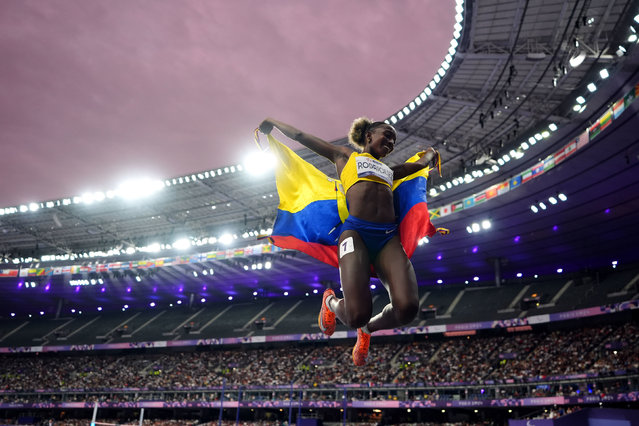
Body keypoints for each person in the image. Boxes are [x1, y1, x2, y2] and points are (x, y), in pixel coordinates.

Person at [258, 117, 441, 366]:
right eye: (386, 136)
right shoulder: (345, 157)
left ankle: (367, 330)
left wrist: (430, 154)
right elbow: (301, 136)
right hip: (355, 235)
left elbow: (418, 165)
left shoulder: (390, 171)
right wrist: (273, 123)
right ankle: (331, 302)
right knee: (355, 315)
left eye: (393, 141)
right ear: (368, 136)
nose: (390, 142)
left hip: (387, 238)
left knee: (407, 309)